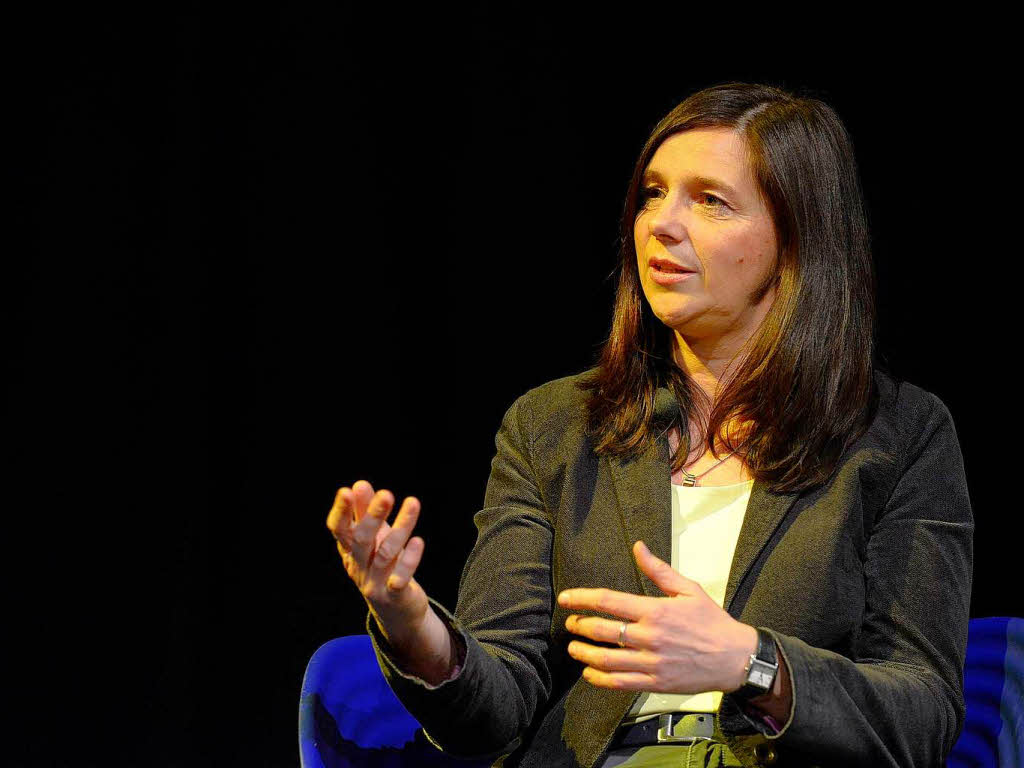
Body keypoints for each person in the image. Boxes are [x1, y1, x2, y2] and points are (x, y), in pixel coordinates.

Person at [326, 82, 973, 767]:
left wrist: (751, 664)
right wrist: (411, 623)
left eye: (711, 201)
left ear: (798, 238)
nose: (661, 223)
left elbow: (923, 714)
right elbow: (491, 716)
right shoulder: (555, 428)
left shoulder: (901, 434)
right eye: (653, 193)